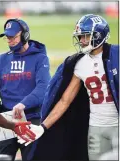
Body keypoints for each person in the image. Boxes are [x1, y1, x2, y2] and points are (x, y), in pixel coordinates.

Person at [18, 14, 119, 160]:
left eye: (85, 36)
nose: (82, 41)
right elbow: (65, 100)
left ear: (98, 35)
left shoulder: (117, 55)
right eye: (80, 37)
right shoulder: (79, 64)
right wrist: (43, 126)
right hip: (96, 128)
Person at [0, 18, 51, 160]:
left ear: (25, 36)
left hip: (31, 120)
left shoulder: (40, 58)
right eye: (7, 37)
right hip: (5, 120)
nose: (9, 40)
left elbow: (43, 88)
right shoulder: (2, 60)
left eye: (13, 37)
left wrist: (23, 104)